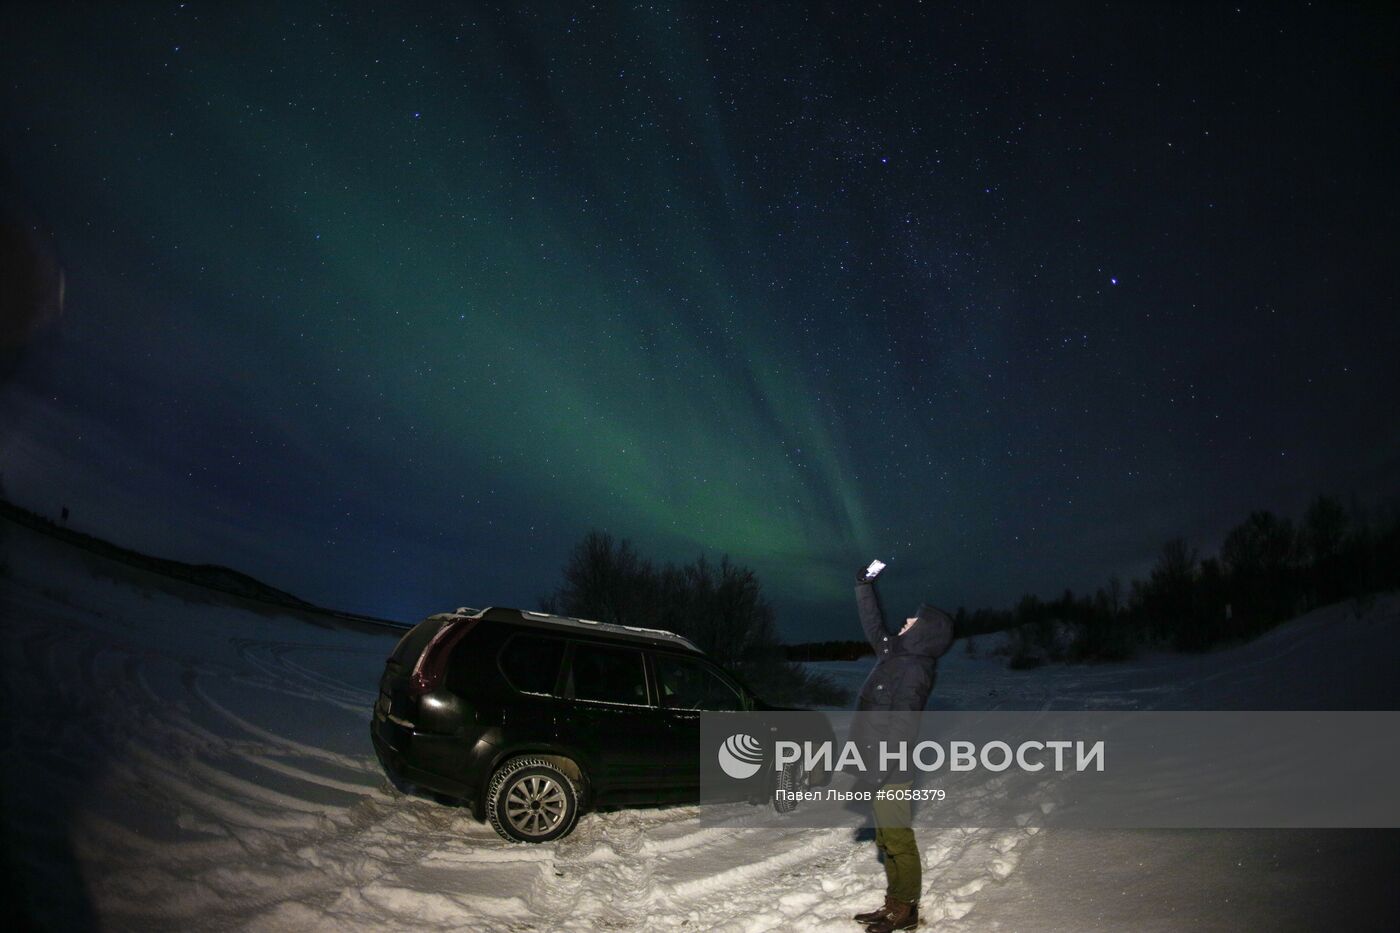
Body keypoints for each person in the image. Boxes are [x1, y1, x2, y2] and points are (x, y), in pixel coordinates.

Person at [849, 560, 953, 932]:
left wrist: (879, 769)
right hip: (879, 762)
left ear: (924, 634)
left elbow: (902, 728)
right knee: (886, 837)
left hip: (891, 767)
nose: (906, 621)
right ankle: (893, 903)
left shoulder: (914, 669)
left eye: (913, 621)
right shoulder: (896, 654)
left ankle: (905, 909)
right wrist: (864, 586)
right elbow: (873, 625)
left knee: (897, 839)